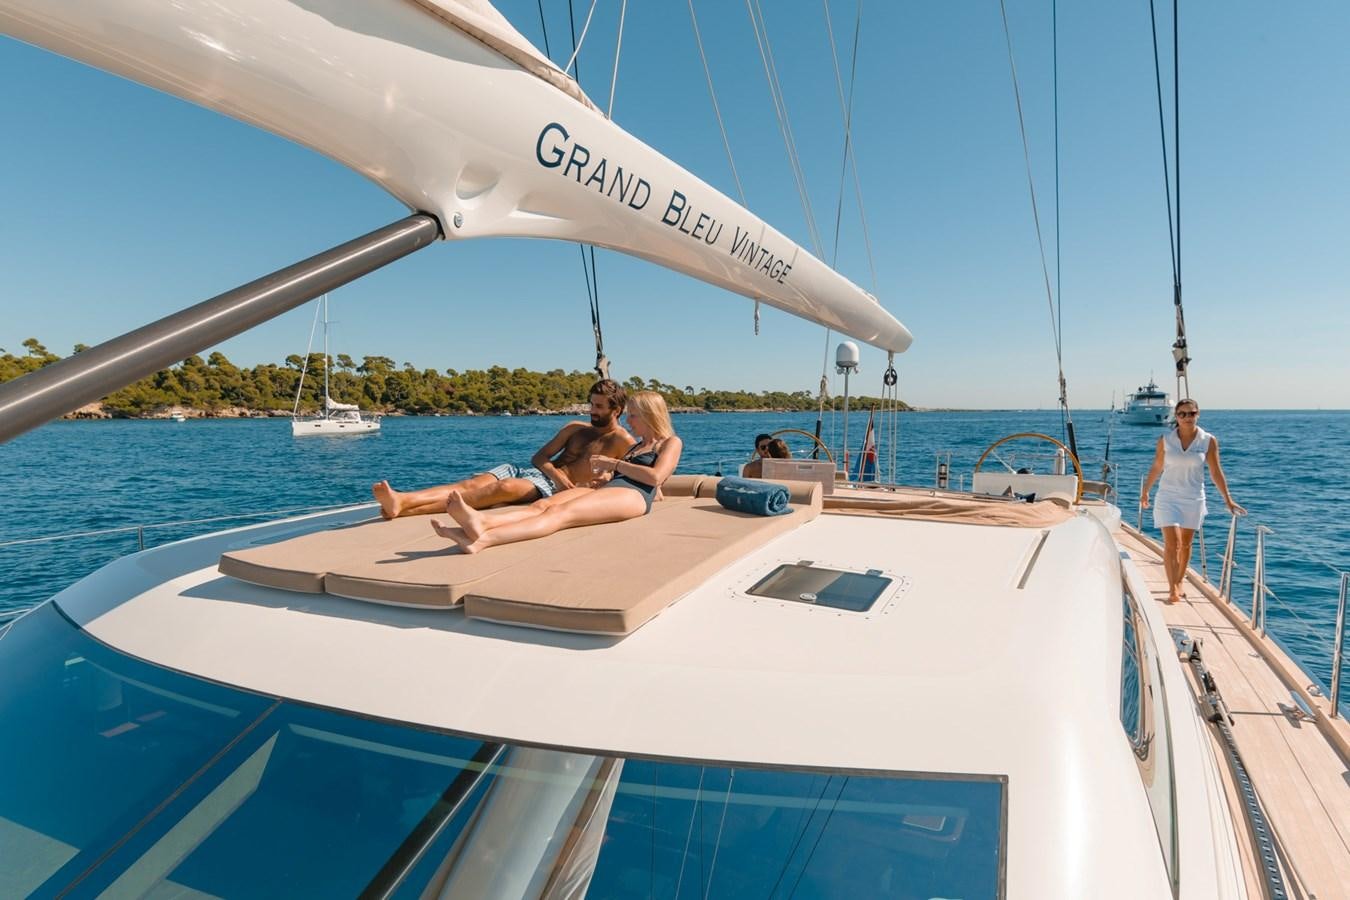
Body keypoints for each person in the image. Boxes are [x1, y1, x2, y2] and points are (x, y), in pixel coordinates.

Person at [431, 391, 683, 553]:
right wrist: (605, 478)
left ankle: (483, 540)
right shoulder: (638, 446)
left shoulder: (670, 442)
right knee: (542, 506)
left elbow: (656, 478)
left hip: (634, 497)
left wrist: (613, 464)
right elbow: (632, 476)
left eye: (634, 416)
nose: (629, 421)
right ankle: (481, 522)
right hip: (612, 489)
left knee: (561, 514)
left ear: (650, 416)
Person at [372, 379, 633, 517]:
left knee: (502, 488)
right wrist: (556, 473)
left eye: (599, 407)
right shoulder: (576, 427)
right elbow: (539, 457)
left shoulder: (623, 442)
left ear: (616, 410)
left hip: (549, 489)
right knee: (470, 485)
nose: (592, 411)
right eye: (592, 404)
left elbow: (641, 475)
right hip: (542, 475)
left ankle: (404, 507)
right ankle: (403, 499)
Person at [1140, 398, 1245, 603]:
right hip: (1167, 497)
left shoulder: (1208, 440)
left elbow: (1216, 471)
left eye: (1191, 413)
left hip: (1194, 497)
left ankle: (1179, 581)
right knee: (1173, 543)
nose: (1187, 418)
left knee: (1186, 545)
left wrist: (1228, 499)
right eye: (1182, 414)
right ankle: (1172, 589)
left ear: (1198, 414)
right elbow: (1156, 466)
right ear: (1176, 417)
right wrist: (1146, 491)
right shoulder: (1165, 440)